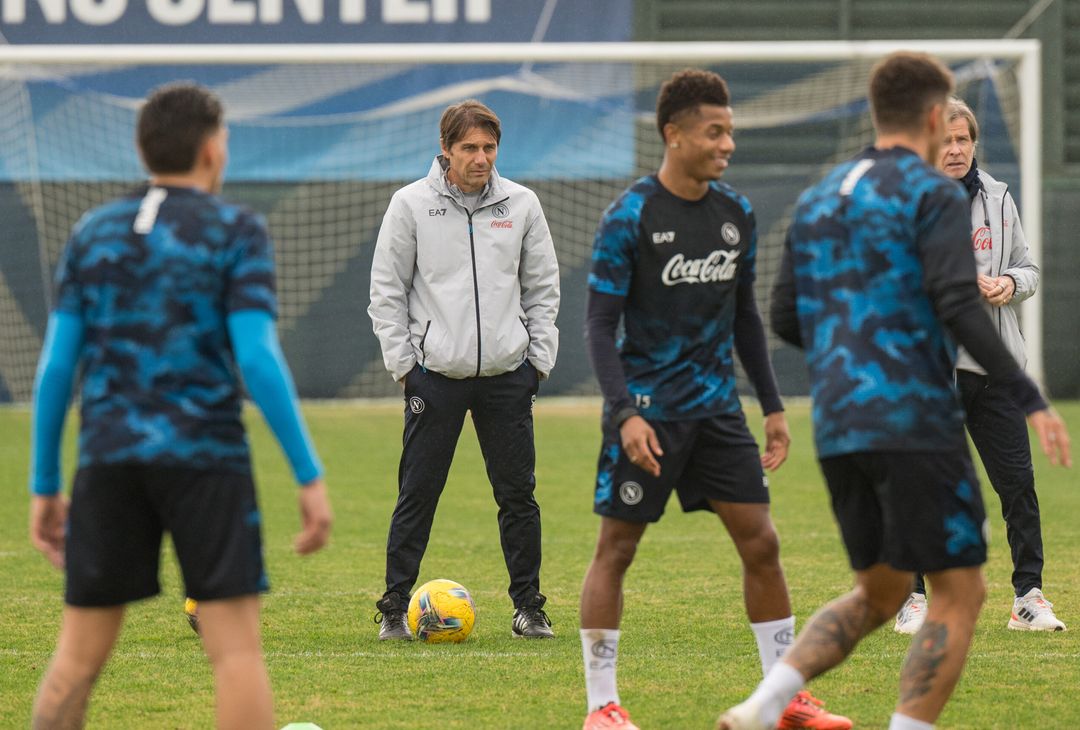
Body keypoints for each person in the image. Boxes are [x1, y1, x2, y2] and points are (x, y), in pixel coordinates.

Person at [718, 52, 1071, 730]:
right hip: (915, 415)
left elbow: (787, 313)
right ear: (937, 118)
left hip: (842, 422)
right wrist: (1027, 393)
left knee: (880, 593)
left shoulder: (823, 195)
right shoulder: (932, 193)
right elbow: (958, 302)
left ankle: (765, 705)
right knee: (961, 593)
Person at [28, 82, 333, 730]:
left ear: (144, 149)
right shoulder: (236, 229)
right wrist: (308, 474)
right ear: (214, 148)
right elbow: (256, 359)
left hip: (108, 460)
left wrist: (45, 484)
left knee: (77, 658)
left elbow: (57, 367)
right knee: (235, 654)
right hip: (206, 459)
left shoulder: (92, 232)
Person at [579, 68, 850, 730]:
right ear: (674, 135)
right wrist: (625, 413)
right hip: (649, 415)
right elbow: (596, 326)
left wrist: (774, 406)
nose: (727, 144)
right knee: (617, 550)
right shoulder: (630, 216)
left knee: (761, 543)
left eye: (730, 131)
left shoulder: (738, 214)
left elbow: (746, 320)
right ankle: (601, 707)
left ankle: (782, 700)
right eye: (715, 131)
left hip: (718, 411)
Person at [368, 99, 560, 640]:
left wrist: (537, 361)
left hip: (507, 375)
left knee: (517, 495)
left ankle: (529, 607)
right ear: (446, 150)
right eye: (469, 148)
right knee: (418, 493)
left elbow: (543, 287)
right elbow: (386, 291)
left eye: (489, 148)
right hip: (434, 377)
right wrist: (407, 367)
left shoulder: (522, 204)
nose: (481, 158)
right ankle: (393, 607)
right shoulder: (409, 204)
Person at [893, 97, 1064, 635]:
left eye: (963, 139)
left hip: (994, 373)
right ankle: (912, 599)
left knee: (1018, 486)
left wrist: (1008, 284)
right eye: (945, 140)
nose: (955, 149)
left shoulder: (998, 196)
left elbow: (1028, 268)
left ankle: (1028, 598)